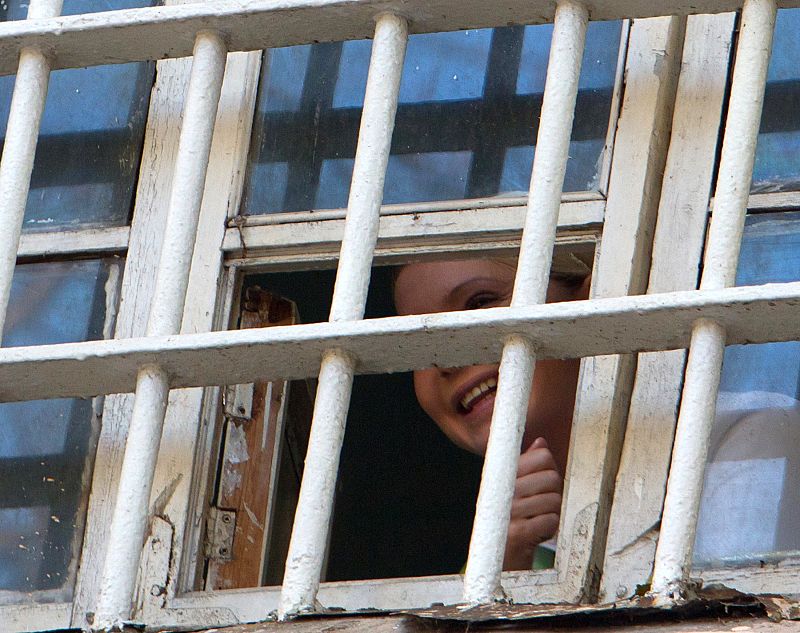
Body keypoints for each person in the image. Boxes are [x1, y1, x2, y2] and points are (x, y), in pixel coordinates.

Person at [393, 257, 590, 571]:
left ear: (589, 297)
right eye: (416, 340)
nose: (447, 361)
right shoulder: (483, 570)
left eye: (479, 303)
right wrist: (508, 559)